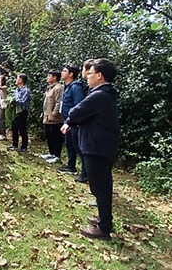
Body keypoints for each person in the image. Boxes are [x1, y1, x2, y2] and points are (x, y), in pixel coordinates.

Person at [61, 58, 120, 241]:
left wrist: (72, 118)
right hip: (103, 145)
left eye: (91, 73)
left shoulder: (99, 95)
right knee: (103, 185)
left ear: (99, 75)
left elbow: (75, 112)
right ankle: (103, 219)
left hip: (97, 147)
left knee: (100, 187)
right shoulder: (104, 93)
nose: (87, 76)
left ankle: (104, 228)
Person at [58, 64, 87, 178]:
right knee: (70, 144)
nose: (62, 73)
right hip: (67, 121)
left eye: (64, 71)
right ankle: (71, 166)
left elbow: (79, 106)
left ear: (71, 74)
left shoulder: (76, 88)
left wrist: (73, 121)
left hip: (74, 122)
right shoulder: (67, 87)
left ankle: (86, 173)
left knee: (78, 146)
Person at [40, 69, 64, 163]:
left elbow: (59, 103)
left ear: (55, 77)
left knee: (56, 137)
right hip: (47, 116)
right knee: (49, 136)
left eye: (49, 76)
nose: (47, 77)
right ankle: (51, 153)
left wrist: (54, 114)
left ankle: (57, 155)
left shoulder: (59, 88)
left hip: (54, 118)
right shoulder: (50, 88)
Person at [8, 73, 30, 153]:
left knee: (22, 129)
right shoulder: (16, 90)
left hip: (22, 111)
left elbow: (23, 101)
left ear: (21, 80)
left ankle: (24, 146)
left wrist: (14, 100)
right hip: (15, 111)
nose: (16, 80)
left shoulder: (26, 90)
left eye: (17, 78)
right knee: (14, 128)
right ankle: (14, 144)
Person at [0, 74, 8, 140]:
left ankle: (3, 134)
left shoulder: (4, 87)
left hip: (3, 105)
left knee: (1, 119)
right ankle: (0, 133)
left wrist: (0, 80)